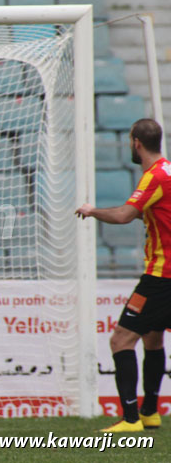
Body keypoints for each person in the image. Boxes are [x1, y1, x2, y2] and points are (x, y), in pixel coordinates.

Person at [76, 118, 169, 432]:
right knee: (153, 338)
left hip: (159, 277)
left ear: (136, 143)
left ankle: (131, 419)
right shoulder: (169, 171)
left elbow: (124, 215)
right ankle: (150, 412)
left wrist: (92, 211)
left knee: (121, 339)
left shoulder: (153, 177)